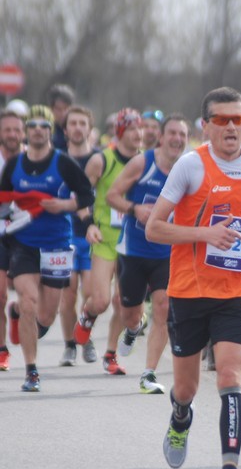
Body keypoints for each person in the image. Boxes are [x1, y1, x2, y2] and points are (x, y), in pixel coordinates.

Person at [146, 86, 241, 469]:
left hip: (236, 291)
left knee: (229, 376)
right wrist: (204, 234)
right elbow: (154, 228)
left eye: (238, 119)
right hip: (189, 292)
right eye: (221, 120)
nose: (231, 127)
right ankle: (180, 417)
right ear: (205, 125)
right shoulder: (192, 165)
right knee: (186, 388)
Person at [0, 105, 94, 391]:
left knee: (46, 316)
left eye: (44, 126)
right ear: (27, 132)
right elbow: (3, 199)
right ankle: (31, 371)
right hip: (24, 244)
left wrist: (63, 205)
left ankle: (18, 315)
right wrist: (11, 216)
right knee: (29, 302)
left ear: (50, 131)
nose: (38, 130)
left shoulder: (63, 162)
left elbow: (87, 194)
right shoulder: (15, 164)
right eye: (33, 126)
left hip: (57, 245)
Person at [106, 113, 189, 393]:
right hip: (134, 250)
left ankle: (149, 374)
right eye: (173, 133)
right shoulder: (143, 163)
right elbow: (112, 195)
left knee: (163, 307)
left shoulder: (190, 169)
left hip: (167, 252)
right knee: (129, 312)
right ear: (162, 137)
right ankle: (132, 328)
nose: (177, 139)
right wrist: (135, 209)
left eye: (183, 135)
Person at [73, 108, 143, 375]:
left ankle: (110, 354)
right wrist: (88, 224)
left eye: (141, 129)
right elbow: (80, 195)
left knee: (122, 302)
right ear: (121, 131)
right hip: (104, 239)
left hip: (133, 241)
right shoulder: (102, 160)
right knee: (100, 300)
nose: (139, 134)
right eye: (133, 128)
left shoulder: (146, 161)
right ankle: (87, 316)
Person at [59, 105, 99, 367]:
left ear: (89, 128)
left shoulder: (99, 160)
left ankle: (86, 334)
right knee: (68, 294)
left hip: (92, 235)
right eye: (72, 123)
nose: (77, 128)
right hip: (63, 235)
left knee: (93, 294)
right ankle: (70, 346)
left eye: (82, 123)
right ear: (65, 130)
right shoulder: (57, 160)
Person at [0, 109, 26, 371]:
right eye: (7, 129)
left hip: (26, 232)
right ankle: (1, 350)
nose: (12, 135)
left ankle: (17, 311)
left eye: (16, 130)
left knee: (30, 295)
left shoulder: (33, 159)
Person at [48, 84, 75, 152]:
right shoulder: (47, 131)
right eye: (58, 109)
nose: (63, 113)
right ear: (51, 109)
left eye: (66, 109)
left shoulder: (76, 129)